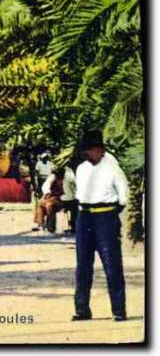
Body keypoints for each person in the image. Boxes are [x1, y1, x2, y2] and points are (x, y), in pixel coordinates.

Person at [72, 130, 128, 322]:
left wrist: (109, 213)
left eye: (92, 150)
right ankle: (82, 310)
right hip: (84, 217)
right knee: (83, 266)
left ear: (101, 150)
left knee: (111, 265)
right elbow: (77, 194)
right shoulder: (81, 169)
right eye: (86, 151)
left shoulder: (113, 168)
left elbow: (124, 197)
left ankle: (119, 310)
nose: (89, 154)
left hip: (105, 217)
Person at [32, 151, 55, 230]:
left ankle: (45, 223)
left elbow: (52, 170)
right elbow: (36, 173)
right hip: (41, 179)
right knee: (40, 201)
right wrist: (37, 184)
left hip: (48, 178)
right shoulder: (39, 164)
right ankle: (39, 222)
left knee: (45, 201)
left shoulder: (50, 164)